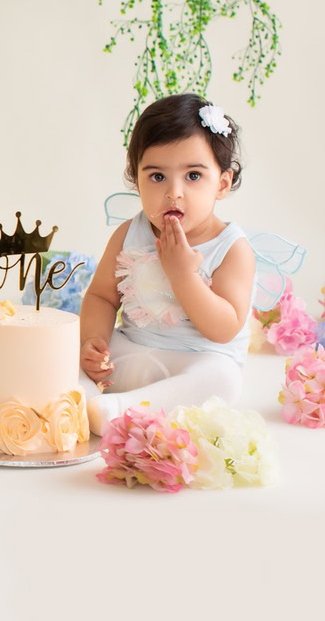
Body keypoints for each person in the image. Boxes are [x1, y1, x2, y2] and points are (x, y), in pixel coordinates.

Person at [78, 94, 255, 435]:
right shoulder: (130, 233)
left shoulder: (232, 249)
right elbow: (101, 297)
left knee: (223, 380)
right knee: (64, 350)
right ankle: (82, 397)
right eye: (157, 177)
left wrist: (183, 275)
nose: (174, 192)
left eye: (192, 176)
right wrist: (94, 342)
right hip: (132, 351)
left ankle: (118, 409)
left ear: (222, 183)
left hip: (195, 361)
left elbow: (224, 328)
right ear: (137, 180)